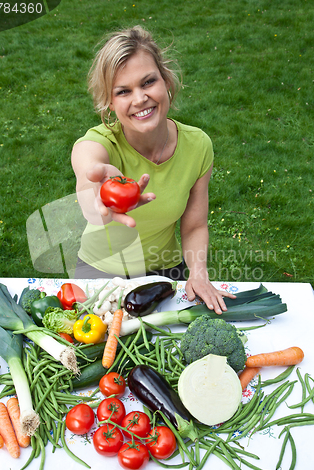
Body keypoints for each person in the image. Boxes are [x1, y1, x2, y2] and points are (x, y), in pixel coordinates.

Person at [71, 25, 235, 314]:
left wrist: (198, 272)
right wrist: (96, 198)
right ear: (110, 103)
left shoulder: (198, 146)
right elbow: (88, 171)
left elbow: (195, 224)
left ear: (167, 81)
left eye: (148, 82)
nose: (139, 99)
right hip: (99, 274)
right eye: (123, 91)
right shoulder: (100, 143)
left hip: (166, 272)